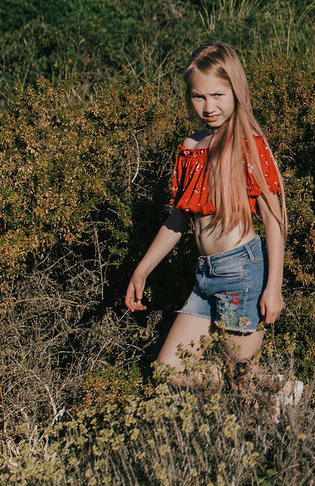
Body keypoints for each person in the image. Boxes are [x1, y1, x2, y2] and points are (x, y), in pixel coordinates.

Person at [125, 41, 300, 405]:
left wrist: (274, 287)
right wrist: (142, 270)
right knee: (168, 370)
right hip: (205, 275)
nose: (209, 107)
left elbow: (274, 220)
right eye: (198, 97)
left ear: (236, 90)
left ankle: (267, 398)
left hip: (243, 271)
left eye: (218, 95)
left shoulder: (248, 144)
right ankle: (277, 386)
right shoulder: (192, 146)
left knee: (239, 387)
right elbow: (178, 218)